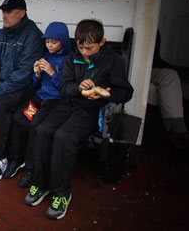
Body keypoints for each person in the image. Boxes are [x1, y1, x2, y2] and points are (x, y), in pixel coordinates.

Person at [24, 19, 133, 220]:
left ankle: (61, 193)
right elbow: (65, 87)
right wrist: (79, 87)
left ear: (102, 42)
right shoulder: (74, 56)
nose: (84, 52)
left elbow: (125, 92)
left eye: (90, 48)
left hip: (91, 110)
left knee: (64, 137)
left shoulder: (113, 61)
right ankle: (40, 184)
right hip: (68, 103)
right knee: (43, 129)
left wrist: (106, 94)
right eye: (81, 47)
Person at [0, 0, 45, 182]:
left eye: (9, 11)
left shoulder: (33, 35)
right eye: (3, 11)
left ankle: (0, 157)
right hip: (4, 82)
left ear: (22, 13)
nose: (4, 15)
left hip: (24, 86)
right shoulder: (3, 33)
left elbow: (24, 74)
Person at [2, 22, 71, 185]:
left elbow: (66, 88)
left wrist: (52, 72)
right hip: (40, 97)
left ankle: (31, 168)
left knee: (35, 126)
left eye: (54, 42)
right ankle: (16, 159)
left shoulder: (68, 60)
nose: (50, 45)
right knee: (19, 118)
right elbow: (37, 84)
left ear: (63, 42)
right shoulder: (46, 56)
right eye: (47, 42)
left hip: (55, 101)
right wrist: (37, 74)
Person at [148, 31, 188, 147]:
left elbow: (155, 59)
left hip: (148, 67)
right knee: (162, 89)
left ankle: (176, 131)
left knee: (170, 76)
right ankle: (178, 130)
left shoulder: (152, 29)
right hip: (128, 70)